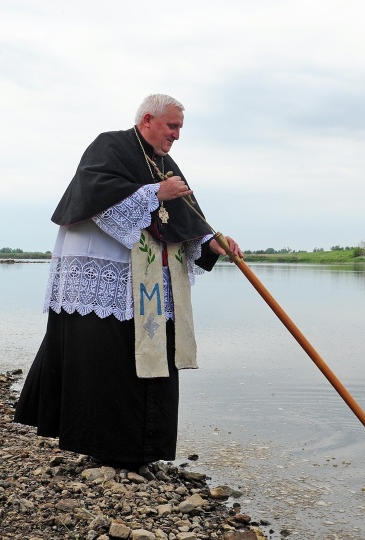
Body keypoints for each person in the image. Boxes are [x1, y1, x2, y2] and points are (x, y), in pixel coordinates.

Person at [14, 94, 242, 469]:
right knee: (106, 362)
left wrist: (210, 241)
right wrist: (153, 193)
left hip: (148, 282)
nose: (177, 135)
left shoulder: (163, 162)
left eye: (180, 128)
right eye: (173, 126)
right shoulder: (110, 146)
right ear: (148, 120)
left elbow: (183, 217)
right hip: (105, 276)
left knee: (152, 358)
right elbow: (94, 195)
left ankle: (143, 450)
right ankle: (105, 447)